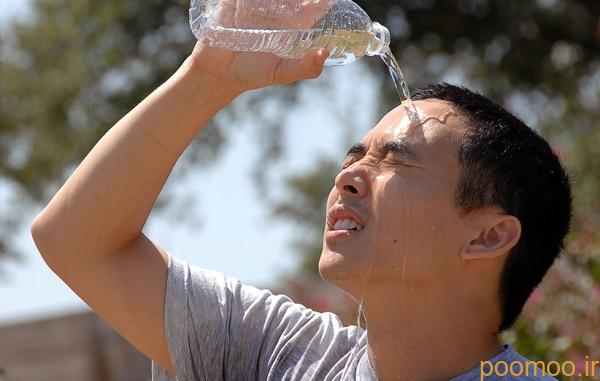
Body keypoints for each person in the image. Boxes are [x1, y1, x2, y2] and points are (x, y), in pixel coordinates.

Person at [31, 34, 572, 380]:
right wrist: (209, 75)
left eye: (396, 161)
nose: (348, 177)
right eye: (354, 157)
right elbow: (77, 241)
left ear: (489, 236)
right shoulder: (280, 354)